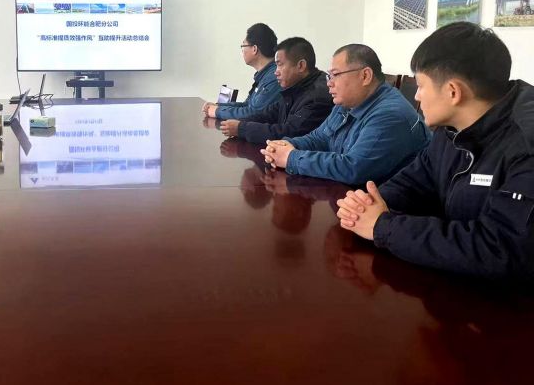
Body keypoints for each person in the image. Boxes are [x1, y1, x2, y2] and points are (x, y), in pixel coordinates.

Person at [336, 23, 534, 280]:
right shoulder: (451, 129)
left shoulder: (526, 143)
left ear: (453, 92)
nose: (416, 96)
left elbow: (501, 248)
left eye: (421, 85)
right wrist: (367, 205)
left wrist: (383, 227)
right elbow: (416, 182)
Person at [262, 44, 429, 186]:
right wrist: (286, 145)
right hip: (349, 197)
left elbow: (353, 168)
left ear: (365, 76)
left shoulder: (390, 115)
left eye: (335, 75)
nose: (329, 83)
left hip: (390, 207)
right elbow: (319, 138)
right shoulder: (347, 102)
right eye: (329, 76)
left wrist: (291, 158)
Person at [220, 37, 333, 144]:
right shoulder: (297, 86)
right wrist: (240, 122)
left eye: (280, 65)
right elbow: (269, 114)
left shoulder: (318, 96)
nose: (276, 72)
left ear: (301, 66)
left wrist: (242, 128)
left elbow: (290, 133)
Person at [202, 23, 281, 120]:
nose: (242, 51)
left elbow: (253, 114)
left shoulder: (275, 76)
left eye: (243, 45)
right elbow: (247, 105)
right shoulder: (265, 75)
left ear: (254, 49)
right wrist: (219, 106)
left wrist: (217, 111)